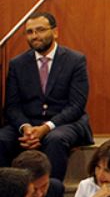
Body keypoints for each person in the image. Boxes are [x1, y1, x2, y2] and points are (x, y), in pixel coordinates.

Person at [0, 12, 92, 181]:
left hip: (65, 123)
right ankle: (6, 193)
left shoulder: (75, 60)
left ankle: (51, 193)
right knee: (2, 139)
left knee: (55, 139)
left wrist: (46, 127)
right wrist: (26, 128)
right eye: (30, 32)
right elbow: (12, 106)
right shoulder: (17, 64)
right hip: (28, 123)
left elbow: (76, 105)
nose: (35, 36)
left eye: (40, 30)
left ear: (55, 32)